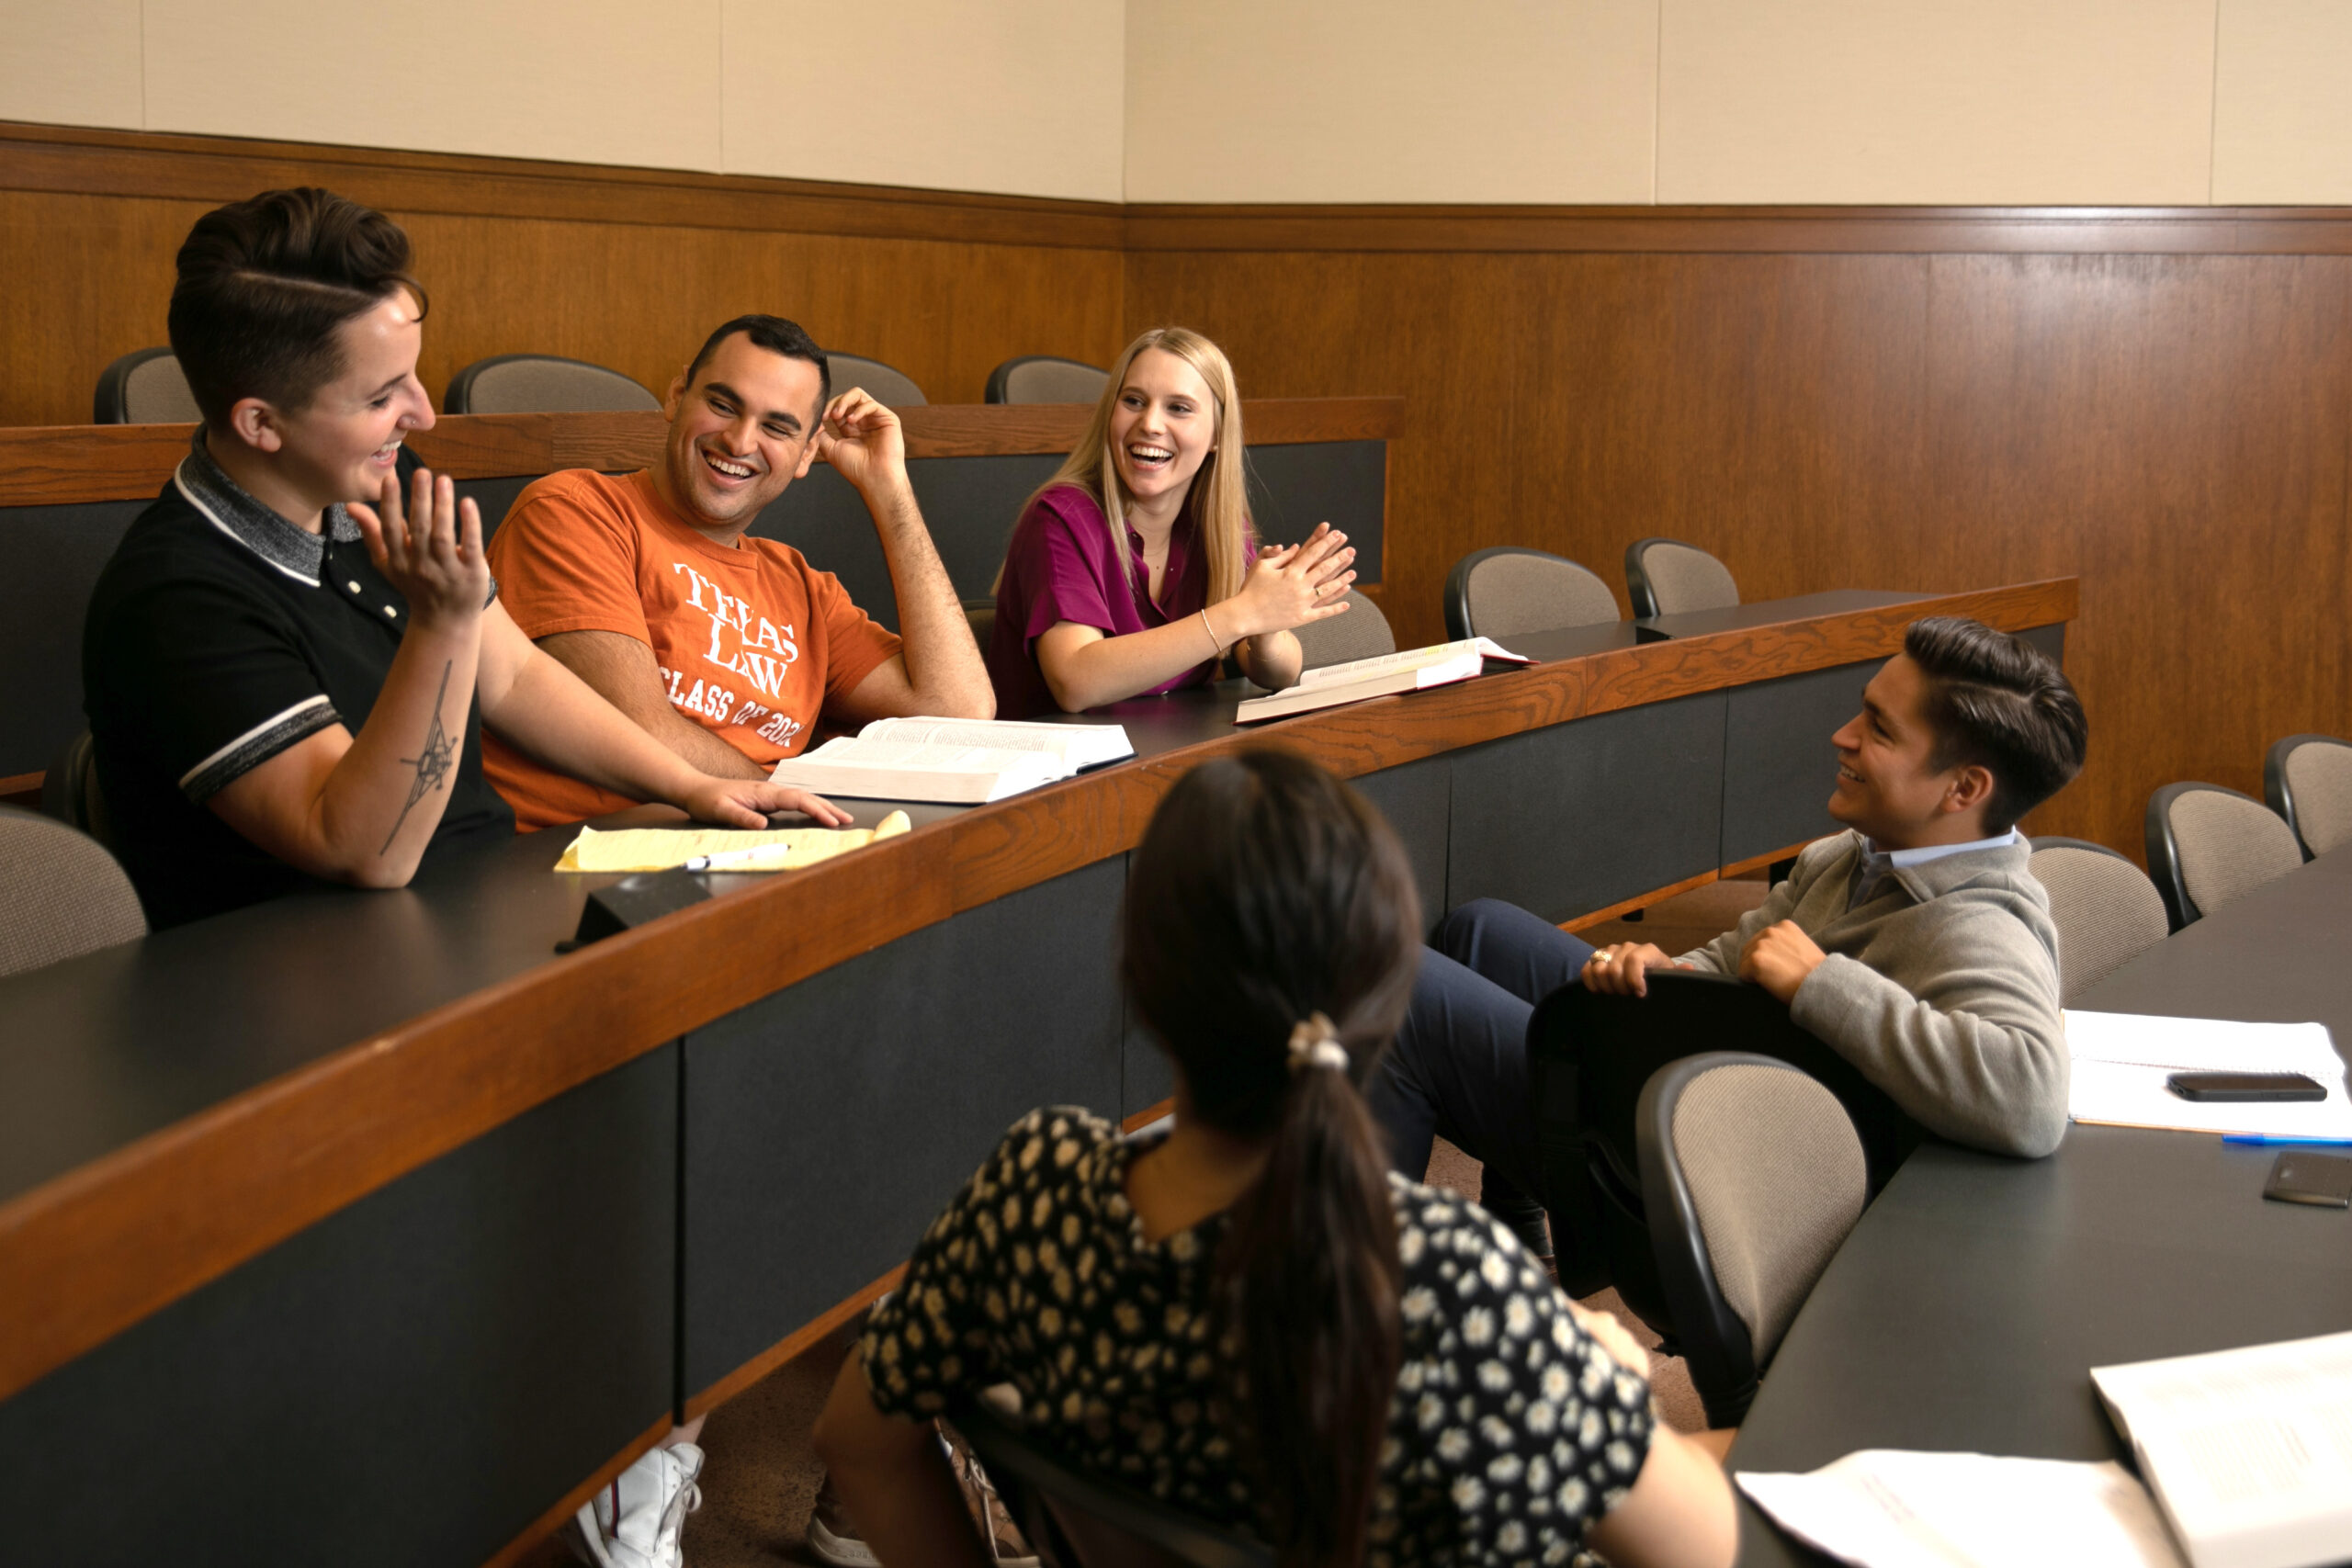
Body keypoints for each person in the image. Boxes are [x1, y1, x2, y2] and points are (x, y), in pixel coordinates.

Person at [812, 750, 1738, 1568]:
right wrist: (1601, 1385)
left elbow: (858, 1442)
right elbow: (1710, 1550)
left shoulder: (1030, 1192)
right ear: (1387, 993)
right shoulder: (1453, 1285)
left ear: (1137, 982)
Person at [81, 188, 848, 931]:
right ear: (261, 423)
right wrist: (442, 623)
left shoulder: (385, 481)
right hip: (316, 977)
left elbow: (511, 675)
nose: (422, 412)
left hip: (484, 897)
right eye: (381, 396)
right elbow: (364, 850)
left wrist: (696, 787)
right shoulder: (177, 598)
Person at [1369, 616, 2089, 1285]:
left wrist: (1821, 984)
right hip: (1705, 1079)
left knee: (1393, 983)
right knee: (1480, 929)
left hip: (1715, 1178)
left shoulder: (1980, 922)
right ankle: (1518, 1246)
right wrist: (1668, 975)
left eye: (1878, 729)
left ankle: (1353, 1319)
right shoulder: (1856, 856)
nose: (1842, 736)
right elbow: (1735, 959)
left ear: (1963, 788)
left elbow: (2031, 1100)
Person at [482, 313, 992, 830]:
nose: (741, 441)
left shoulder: (802, 587)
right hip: (585, 850)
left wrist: (890, 490)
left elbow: (961, 714)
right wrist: (790, 802)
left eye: (777, 427)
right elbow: (642, 729)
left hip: (754, 845)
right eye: (723, 405)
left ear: (807, 452)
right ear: (677, 396)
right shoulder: (576, 512)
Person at [984, 327, 1354, 719]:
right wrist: (1242, 613)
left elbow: (1276, 672)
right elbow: (1077, 681)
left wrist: (1266, 629)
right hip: (1054, 771)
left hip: (1169, 753)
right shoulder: (1060, 518)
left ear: (1216, 435)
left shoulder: (1215, 526)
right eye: (1133, 401)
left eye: (1178, 408)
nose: (1150, 424)